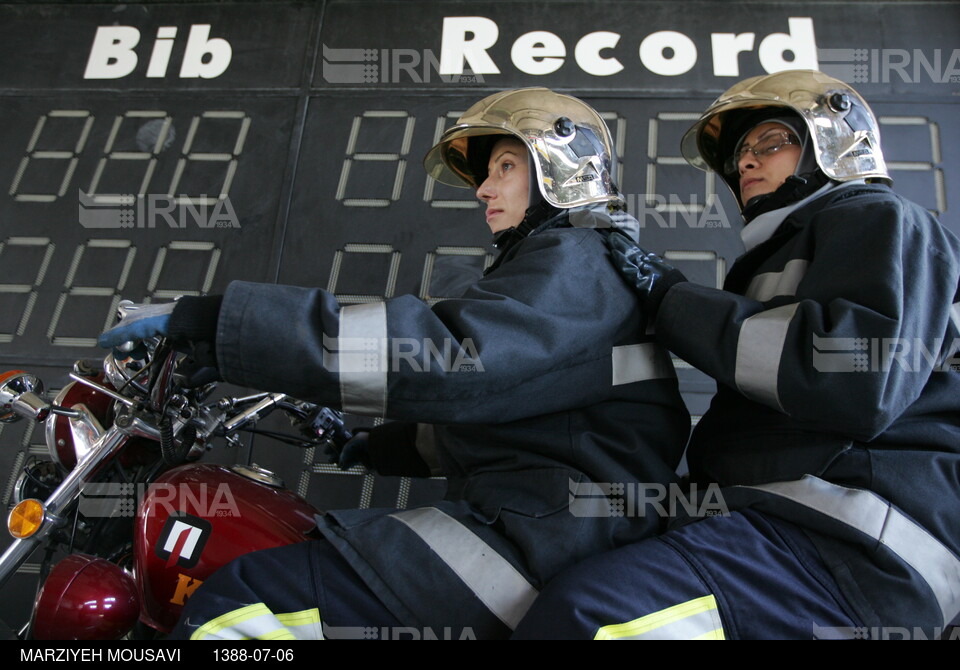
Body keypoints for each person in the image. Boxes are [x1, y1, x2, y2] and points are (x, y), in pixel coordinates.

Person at [99, 88, 690, 640]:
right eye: (487, 174)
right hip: (552, 527)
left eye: (505, 167)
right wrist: (373, 446)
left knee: (247, 603)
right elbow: (522, 418)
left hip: (546, 541)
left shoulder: (581, 262)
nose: (485, 189)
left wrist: (215, 322)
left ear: (562, 170)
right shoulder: (586, 269)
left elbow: (448, 359)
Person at [510, 70, 960, 640]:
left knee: (591, 616)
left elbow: (860, 379)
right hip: (795, 536)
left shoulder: (883, 218)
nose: (745, 163)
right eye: (741, 154)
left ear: (836, 141)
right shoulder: (780, 258)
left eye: (770, 142)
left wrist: (670, 297)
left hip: (854, 547)